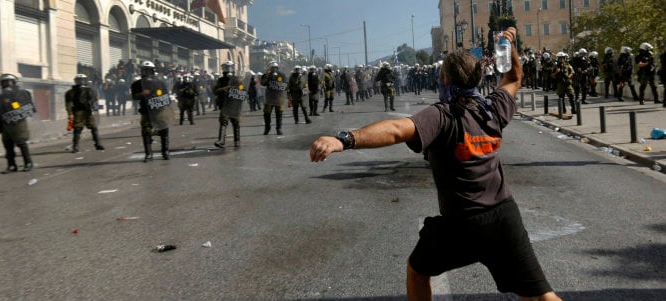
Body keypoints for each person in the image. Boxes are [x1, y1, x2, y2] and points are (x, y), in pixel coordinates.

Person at [309, 28, 562, 301]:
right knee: (539, 296)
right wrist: (509, 44)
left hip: (463, 224)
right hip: (505, 217)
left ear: (443, 78)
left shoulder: (442, 115)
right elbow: (513, 76)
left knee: (417, 271)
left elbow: (396, 129)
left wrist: (346, 139)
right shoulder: (493, 107)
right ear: (478, 78)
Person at [131, 61, 171, 162]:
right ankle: (149, 154)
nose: (145, 72)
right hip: (146, 111)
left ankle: (165, 152)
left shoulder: (160, 82)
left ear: (152, 70)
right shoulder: (137, 84)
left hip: (159, 110)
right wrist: (142, 94)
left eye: (147, 70)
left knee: (164, 130)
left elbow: (166, 96)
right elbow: (134, 96)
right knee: (146, 131)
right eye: (144, 70)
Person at [0, 74, 35, 173]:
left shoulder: (21, 93)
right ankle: (11, 165)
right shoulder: (0, 96)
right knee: (8, 145)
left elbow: (22, 107)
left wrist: (12, 101)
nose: (6, 84)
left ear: (14, 82)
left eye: (8, 82)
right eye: (4, 82)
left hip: (18, 123)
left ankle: (28, 163)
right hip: (5, 124)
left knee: (21, 143)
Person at [65, 74, 105, 153]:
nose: (81, 82)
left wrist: (95, 107)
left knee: (90, 128)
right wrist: (70, 114)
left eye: (82, 80)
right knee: (81, 129)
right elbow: (68, 104)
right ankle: (78, 146)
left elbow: (94, 101)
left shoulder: (87, 90)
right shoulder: (72, 92)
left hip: (84, 112)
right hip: (80, 112)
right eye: (80, 80)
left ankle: (96, 144)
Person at [213, 61, 246, 147]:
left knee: (236, 122)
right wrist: (223, 89)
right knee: (223, 122)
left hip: (234, 104)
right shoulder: (220, 80)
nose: (228, 69)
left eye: (230, 67)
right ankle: (221, 140)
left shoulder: (237, 79)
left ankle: (237, 140)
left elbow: (243, 91)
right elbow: (215, 91)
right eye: (226, 67)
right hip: (225, 104)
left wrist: (235, 89)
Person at [260, 61, 287, 135]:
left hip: (279, 97)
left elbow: (285, 86)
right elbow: (263, 83)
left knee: (279, 114)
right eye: (272, 68)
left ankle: (279, 129)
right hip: (269, 98)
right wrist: (267, 75)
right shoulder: (267, 75)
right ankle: (267, 129)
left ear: (277, 68)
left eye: (275, 68)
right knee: (267, 114)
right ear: (270, 68)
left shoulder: (282, 75)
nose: (274, 69)